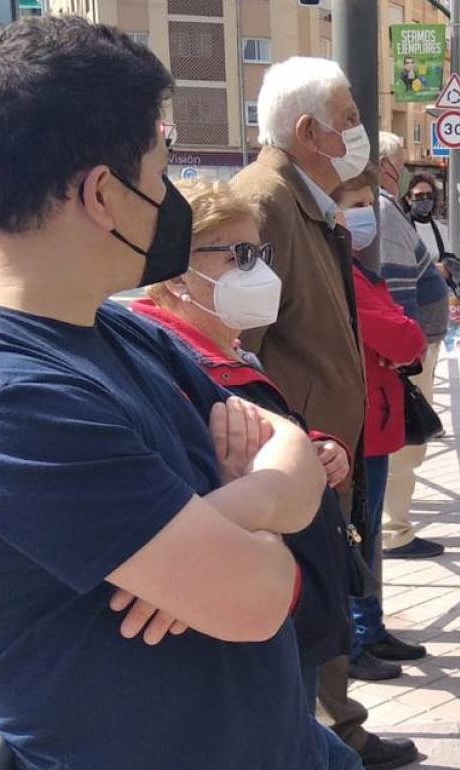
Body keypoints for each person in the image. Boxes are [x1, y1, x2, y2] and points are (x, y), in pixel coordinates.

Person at [0, 16, 353, 770]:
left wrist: (225, 513)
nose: (169, 194)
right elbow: (258, 596)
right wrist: (263, 511)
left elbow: (297, 456)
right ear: (102, 195)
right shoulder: (11, 402)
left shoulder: (121, 332)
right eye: (159, 169)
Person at [231, 55, 417, 769]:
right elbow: (232, 349)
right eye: (349, 119)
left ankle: (337, 728)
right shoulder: (266, 202)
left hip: (323, 448)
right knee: (304, 608)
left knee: (328, 598)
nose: (360, 131)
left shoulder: (301, 199)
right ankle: (320, 737)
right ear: (308, 130)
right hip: (296, 455)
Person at [132, 179, 361, 722]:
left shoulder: (222, 348)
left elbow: (264, 440)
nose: (257, 270)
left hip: (280, 603)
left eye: (260, 252)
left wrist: (316, 451)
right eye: (237, 255)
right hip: (253, 615)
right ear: (172, 273)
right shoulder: (168, 361)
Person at [333, 168, 432, 680]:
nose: (366, 215)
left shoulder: (351, 267)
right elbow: (400, 335)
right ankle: (354, 638)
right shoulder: (340, 272)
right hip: (361, 421)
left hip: (373, 417)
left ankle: (369, 630)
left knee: (366, 535)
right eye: (356, 203)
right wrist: (405, 339)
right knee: (357, 534)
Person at [377, 135, 450, 560]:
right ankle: (394, 531)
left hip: (411, 348)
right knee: (405, 441)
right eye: (400, 164)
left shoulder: (388, 210)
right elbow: (397, 288)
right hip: (408, 354)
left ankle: (392, 524)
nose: (402, 172)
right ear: (387, 166)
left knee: (405, 441)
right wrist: (406, 351)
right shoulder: (385, 212)